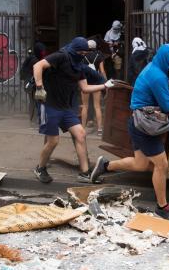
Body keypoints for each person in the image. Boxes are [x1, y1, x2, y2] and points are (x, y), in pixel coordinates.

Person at [90, 44, 169, 221]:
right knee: (162, 165)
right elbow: (167, 105)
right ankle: (162, 207)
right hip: (145, 125)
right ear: (167, 60)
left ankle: (105, 166)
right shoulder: (157, 75)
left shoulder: (155, 67)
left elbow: (161, 91)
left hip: (138, 122)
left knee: (140, 164)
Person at [33, 37, 114, 183]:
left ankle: (84, 173)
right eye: (81, 53)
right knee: (53, 141)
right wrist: (39, 87)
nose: (83, 55)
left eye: (85, 53)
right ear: (75, 50)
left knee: (80, 134)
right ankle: (40, 168)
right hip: (48, 104)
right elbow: (37, 66)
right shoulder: (61, 56)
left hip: (65, 107)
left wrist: (105, 86)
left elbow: (85, 88)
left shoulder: (78, 65)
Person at [80, 43, 107, 136]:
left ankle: (82, 128)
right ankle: (99, 129)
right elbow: (102, 70)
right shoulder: (99, 56)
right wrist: (105, 82)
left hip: (85, 82)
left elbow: (80, 70)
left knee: (85, 106)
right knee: (97, 106)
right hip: (97, 83)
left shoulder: (83, 56)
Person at [20, 42, 47, 122]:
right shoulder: (35, 60)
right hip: (32, 84)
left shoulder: (32, 58)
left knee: (33, 101)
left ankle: (33, 119)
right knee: (35, 101)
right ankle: (34, 120)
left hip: (29, 83)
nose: (44, 52)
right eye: (42, 51)